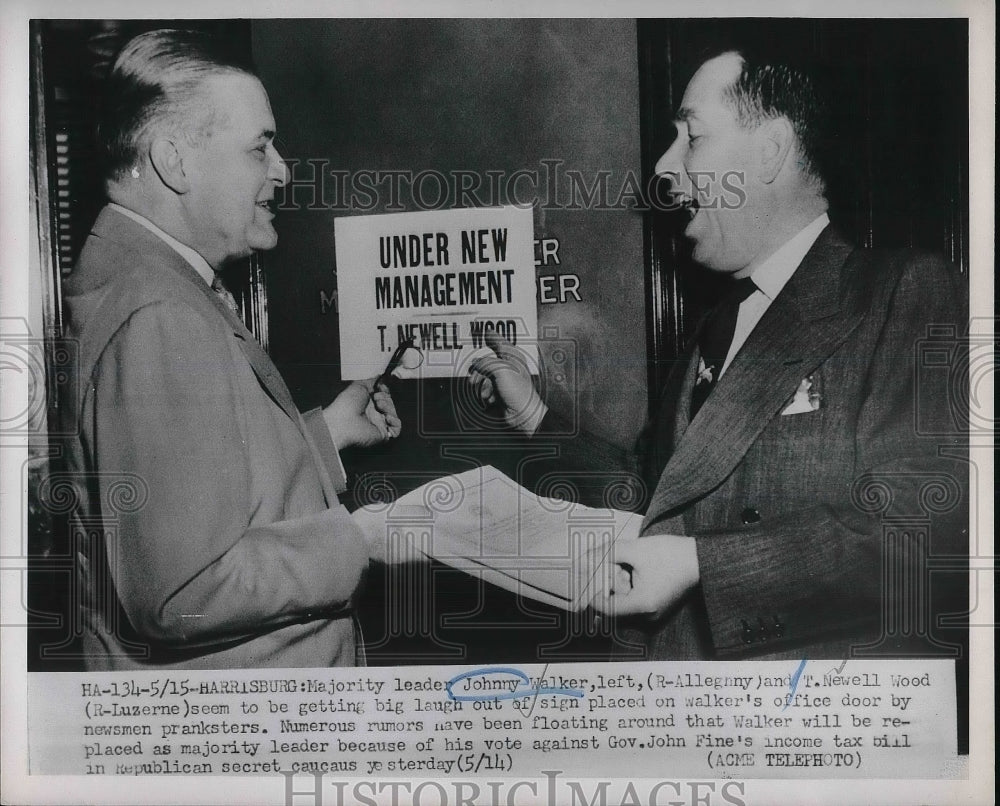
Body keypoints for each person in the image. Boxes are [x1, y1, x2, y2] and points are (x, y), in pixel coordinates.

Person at [471, 45, 968, 660]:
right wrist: (534, 416)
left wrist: (706, 566)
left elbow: (929, 536)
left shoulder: (903, 292)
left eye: (692, 137)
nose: (663, 164)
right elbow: (655, 494)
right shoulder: (718, 322)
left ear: (770, 151)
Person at [59, 29, 404, 670]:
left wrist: (324, 434)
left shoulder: (150, 280)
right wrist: (360, 537)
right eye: (260, 147)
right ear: (175, 162)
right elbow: (185, 590)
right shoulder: (158, 313)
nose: (283, 170)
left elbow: (198, 484)